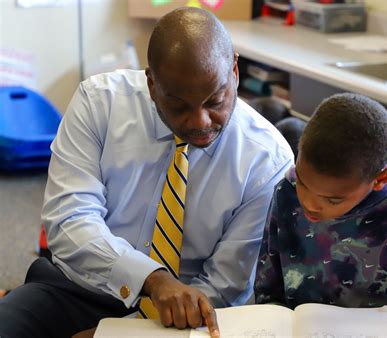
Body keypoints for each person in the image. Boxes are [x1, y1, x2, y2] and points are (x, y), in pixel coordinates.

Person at [0, 7, 293, 338]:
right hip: (83, 286)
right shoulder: (99, 105)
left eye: (215, 100)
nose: (200, 121)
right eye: (179, 105)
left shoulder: (267, 159)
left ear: (235, 71)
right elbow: (69, 222)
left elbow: (227, 286)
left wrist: (123, 333)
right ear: (151, 83)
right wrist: (151, 279)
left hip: (189, 313)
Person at [254, 93, 387, 311]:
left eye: (332, 199)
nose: (309, 203)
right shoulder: (287, 192)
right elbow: (268, 293)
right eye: (302, 182)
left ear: (380, 179)